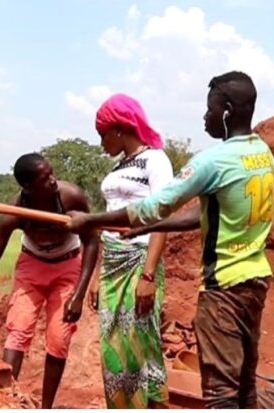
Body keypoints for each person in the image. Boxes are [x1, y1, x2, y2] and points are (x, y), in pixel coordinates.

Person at [67, 71, 274, 409]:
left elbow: (154, 206)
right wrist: (151, 228)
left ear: (225, 111)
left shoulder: (213, 160)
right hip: (254, 282)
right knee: (244, 386)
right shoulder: (261, 155)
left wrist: (92, 220)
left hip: (223, 289)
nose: (204, 117)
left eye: (209, 110)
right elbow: (210, 214)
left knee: (221, 393)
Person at [0, 153, 99, 409]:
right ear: (28, 187)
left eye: (52, 173)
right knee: (18, 330)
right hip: (32, 267)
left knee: (59, 339)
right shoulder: (14, 212)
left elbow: (92, 241)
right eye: (45, 178)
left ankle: (45, 408)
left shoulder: (71, 197)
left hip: (68, 266)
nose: (53, 181)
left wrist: (79, 294)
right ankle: (4, 400)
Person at [89, 93, 174, 408]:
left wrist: (149, 274)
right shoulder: (118, 167)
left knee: (140, 345)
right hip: (112, 262)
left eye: (103, 135)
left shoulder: (156, 160)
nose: (101, 144)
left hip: (139, 260)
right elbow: (107, 224)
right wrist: (98, 273)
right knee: (112, 350)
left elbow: (162, 217)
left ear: (119, 129)